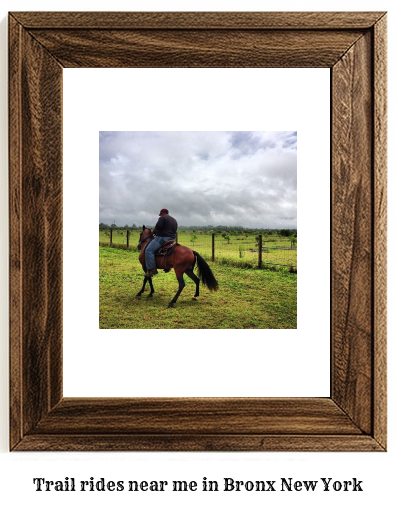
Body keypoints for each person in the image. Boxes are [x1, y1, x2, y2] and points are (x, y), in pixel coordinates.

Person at [145, 208, 178, 276]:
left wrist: (153, 232)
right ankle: (167, 266)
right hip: (172, 239)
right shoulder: (174, 220)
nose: (160, 216)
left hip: (163, 238)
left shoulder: (162, 218)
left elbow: (158, 227)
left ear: (162, 213)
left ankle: (152, 269)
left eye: (160, 214)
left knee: (148, 250)